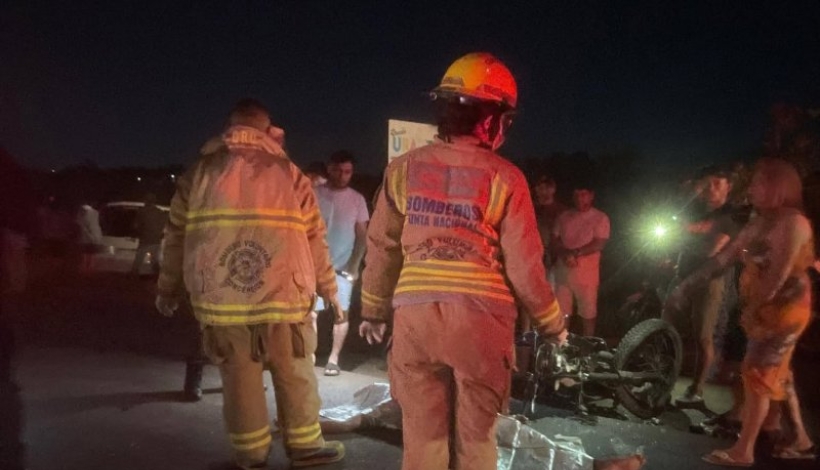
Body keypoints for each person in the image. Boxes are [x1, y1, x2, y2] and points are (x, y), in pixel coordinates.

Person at [358, 52, 567, 470]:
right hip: (480, 323)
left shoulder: (402, 169)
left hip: (416, 319)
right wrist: (553, 324)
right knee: (475, 440)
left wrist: (373, 310)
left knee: (423, 439)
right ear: (492, 119)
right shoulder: (506, 178)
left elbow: (381, 245)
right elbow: (525, 267)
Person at [155, 99, 345, 469]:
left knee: (240, 382)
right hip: (284, 297)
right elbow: (314, 238)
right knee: (295, 373)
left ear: (229, 127)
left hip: (223, 300)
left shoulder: (200, 172)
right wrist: (330, 291)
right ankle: (306, 448)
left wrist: (167, 288)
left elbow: (175, 234)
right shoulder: (289, 172)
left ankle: (252, 456)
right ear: (267, 129)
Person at [667, 158, 815, 466]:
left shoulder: (793, 223)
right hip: (766, 307)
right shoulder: (760, 222)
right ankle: (798, 438)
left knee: (757, 371)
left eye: (760, 182)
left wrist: (756, 308)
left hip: (783, 310)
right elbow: (725, 258)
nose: (753, 188)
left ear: (778, 187)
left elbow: (778, 273)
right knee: (779, 373)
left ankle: (743, 451)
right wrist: (688, 285)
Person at [669, 166, 743, 406]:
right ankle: (662, 374)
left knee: (704, 335)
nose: (711, 190)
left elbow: (713, 248)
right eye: (707, 184)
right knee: (669, 322)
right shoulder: (696, 211)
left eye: (717, 184)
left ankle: (697, 389)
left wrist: (687, 233)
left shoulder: (730, 215)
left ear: (728, 188)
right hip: (685, 274)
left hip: (712, 280)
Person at [311, 150, 369, 376]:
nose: (342, 175)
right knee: (311, 313)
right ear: (329, 168)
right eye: (338, 170)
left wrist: (355, 264)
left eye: (347, 171)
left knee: (340, 313)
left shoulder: (357, 199)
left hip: (344, 266)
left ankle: (333, 359)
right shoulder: (314, 194)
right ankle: (311, 355)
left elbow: (362, 235)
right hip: (316, 265)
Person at [552, 184, 610, 336]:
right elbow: (555, 239)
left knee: (587, 313)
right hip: (563, 276)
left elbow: (599, 242)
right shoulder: (564, 217)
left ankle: (588, 346)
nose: (579, 198)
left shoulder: (600, 218)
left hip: (587, 277)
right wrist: (565, 254)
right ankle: (562, 346)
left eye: (583, 194)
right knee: (562, 313)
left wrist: (576, 253)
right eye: (576, 194)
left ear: (591, 195)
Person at [130, 192, 167, 277]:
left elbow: (136, 225)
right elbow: (164, 226)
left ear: (146, 201)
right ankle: (157, 276)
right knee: (154, 260)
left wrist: (134, 235)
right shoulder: (160, 212)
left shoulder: (142, 211)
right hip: (156, 240)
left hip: (145, 240)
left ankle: (133, 276)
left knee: (138, 260)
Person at [75, 200, 103, 273]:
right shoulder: (96, 213)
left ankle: (85, 269)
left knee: (85, 254)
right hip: (95, 236)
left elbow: (79, 222)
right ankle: (90, 269)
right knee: (92, 254)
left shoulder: (82, 212)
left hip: (86, 237)